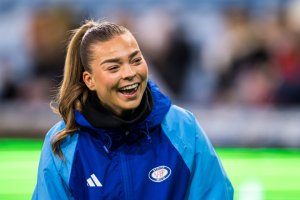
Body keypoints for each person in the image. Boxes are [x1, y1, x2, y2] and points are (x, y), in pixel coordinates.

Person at [32, 20, 233, 200]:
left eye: (136, 60)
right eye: (113, 67)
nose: (130, 73)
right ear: (89, 80)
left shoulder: (183, 128)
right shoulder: (63, 144)